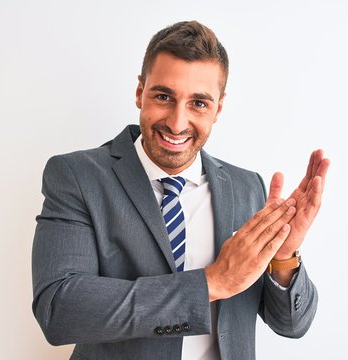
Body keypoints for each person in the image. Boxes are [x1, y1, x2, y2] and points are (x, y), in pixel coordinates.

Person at [32, 20, 330, 360]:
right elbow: (59, 309)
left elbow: (292, 325)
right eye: (163, 96)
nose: (177, 122)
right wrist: (210, 283)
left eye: (199, 103)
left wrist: (284, 258)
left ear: (218, 108)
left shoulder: (247, 188)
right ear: (139, 92)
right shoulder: (77, 176)